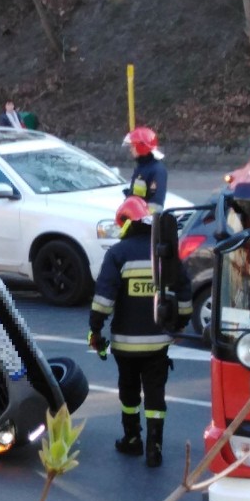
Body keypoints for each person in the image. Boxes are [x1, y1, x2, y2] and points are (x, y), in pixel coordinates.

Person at [87, 196, 192, 468]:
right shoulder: (164, 252)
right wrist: (179, 324)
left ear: (124, 223)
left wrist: (95, 330)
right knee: (155, 394)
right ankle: (154, 448)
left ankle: (132, 439)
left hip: (125, 345)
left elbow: (103, 299)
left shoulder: (117, 254)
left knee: (129, 392)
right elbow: (183, 291)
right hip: (159, 343)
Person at [123, 126, 167, 212]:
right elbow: (139, 194)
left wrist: (141, 217)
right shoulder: (142, 166)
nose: (130, 149)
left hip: (145, 222)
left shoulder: (157, 170)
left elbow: (156, 204)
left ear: (141, 147)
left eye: (132, 146)